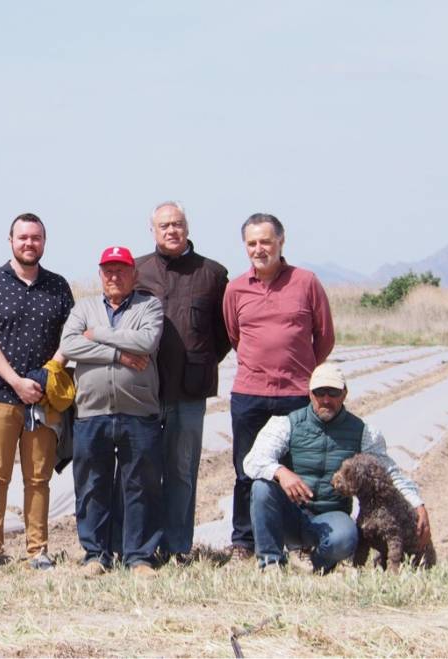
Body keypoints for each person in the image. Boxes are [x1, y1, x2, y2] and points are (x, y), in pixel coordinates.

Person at [243, 363, 431, 572]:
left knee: (345, 539)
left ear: (344, 394)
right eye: (319, 392)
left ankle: (312, 564)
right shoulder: (285, 424)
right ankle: (270, 563)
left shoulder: (364, 433)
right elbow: (252, 461)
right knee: (261, 487)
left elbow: (388, 473)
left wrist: (417, 504)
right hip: (292, 513)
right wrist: (281, 472)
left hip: (332, 516)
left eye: (333, 392)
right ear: (310, 393)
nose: (326, 399)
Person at [223, 213, 335, 560]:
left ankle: (298, 540)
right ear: (245, 247)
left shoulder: (306, 282)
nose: (259, 249)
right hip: (250, 393)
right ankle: (245, 541)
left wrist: (300, 370)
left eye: (266, 242)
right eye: (252, 243)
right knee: (246, 469)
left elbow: (325, 336)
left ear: (281, 243)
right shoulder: (236, 288)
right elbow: (234, 335)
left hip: (295, 393)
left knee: (297, 470)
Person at [0, 213, 74, 570]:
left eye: (36, 238)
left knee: (39, 477)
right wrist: (15, 380)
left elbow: (70, 337)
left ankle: (37, 550)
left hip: (43, 398)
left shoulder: (58, 286)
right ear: (10, 240)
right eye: (23, 237)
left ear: (44, 242)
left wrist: (47, 374)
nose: (29, 243)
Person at [134, 201, 230, 562]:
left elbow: (224, 334)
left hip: (190, 391)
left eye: (177, 224)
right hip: (145, 390)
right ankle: (142, 546)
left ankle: (177, 547)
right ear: (153, 230)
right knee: (143, 469)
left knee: (181, 470)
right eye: (164, 225)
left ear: (187, 227)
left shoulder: (213, 274)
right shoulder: (138, 271)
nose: (171, 230)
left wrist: (201, 362)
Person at [60, 246, 164, 576]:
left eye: (121, 270)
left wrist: (99, 335)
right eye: (108, 271)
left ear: (134, 274)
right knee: (92, 484)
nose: (114, 276)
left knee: (141, 485)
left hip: (139, 410)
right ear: (100, 274)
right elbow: (69, 345)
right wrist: (118, 355)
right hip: (92, 412)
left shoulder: (150, 305)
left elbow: (146, 342)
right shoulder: (84, 307)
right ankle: (95, 554)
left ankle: (139, 557)